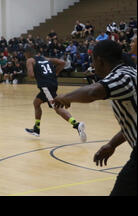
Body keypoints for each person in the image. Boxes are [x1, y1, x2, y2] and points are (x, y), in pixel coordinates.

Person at [53, 40, 137, 196]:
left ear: (99, 60)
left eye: (93, 60)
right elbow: (132, 123)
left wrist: (66, 97)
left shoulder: (124, 76)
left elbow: (94, 92)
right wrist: (112, 144)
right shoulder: (128, 74)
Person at [23, 48, 87, 142]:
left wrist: (38, 73)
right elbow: (62, 62)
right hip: (51, 84)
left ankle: (77, 125)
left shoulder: (30, 60)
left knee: (57, 108)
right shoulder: (45, 58)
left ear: (27, 54)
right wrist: (55, 72)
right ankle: (36, 128)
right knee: (36, 103)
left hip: (46, 87)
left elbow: (31, 75)